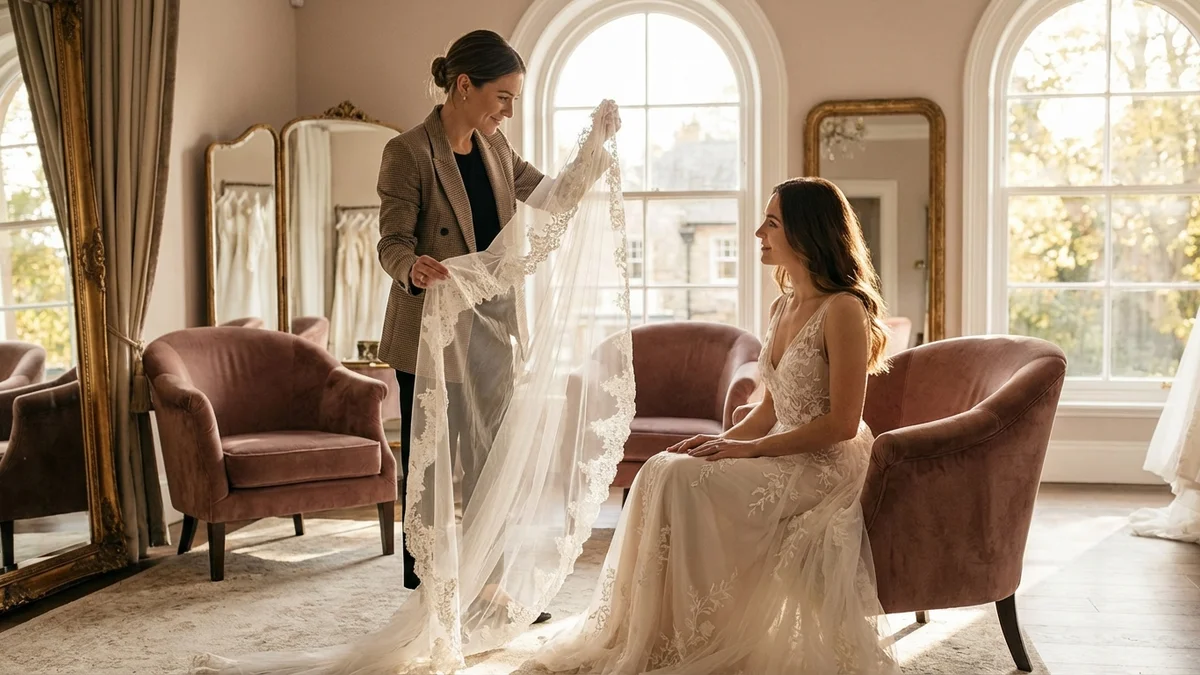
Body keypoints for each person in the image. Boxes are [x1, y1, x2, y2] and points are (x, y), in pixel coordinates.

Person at [528, 177, 902, 674]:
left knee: (685, 481)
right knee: (664, 466)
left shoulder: (845, 310)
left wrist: (748, 452)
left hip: (828, 463)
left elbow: (840, 424)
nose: (757, 233)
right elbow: (769, 409)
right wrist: (722, 441)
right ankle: (655, 634)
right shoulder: (783, 305)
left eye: (771, 222)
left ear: (807, 232)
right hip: (782, 445)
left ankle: (695, 637)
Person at [374, 28, 618, 615]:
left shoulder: (498, 150)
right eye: (503, 96)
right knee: (430, 463)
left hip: (493, 328)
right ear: (465, 85)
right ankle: (431, 587)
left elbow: (555, 199)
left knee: (490, 458)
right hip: (429, 334)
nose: (509, 109)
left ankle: (491, 584)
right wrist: (415, 268)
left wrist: (595, 146)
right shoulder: (408, 152)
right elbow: (391, 243)